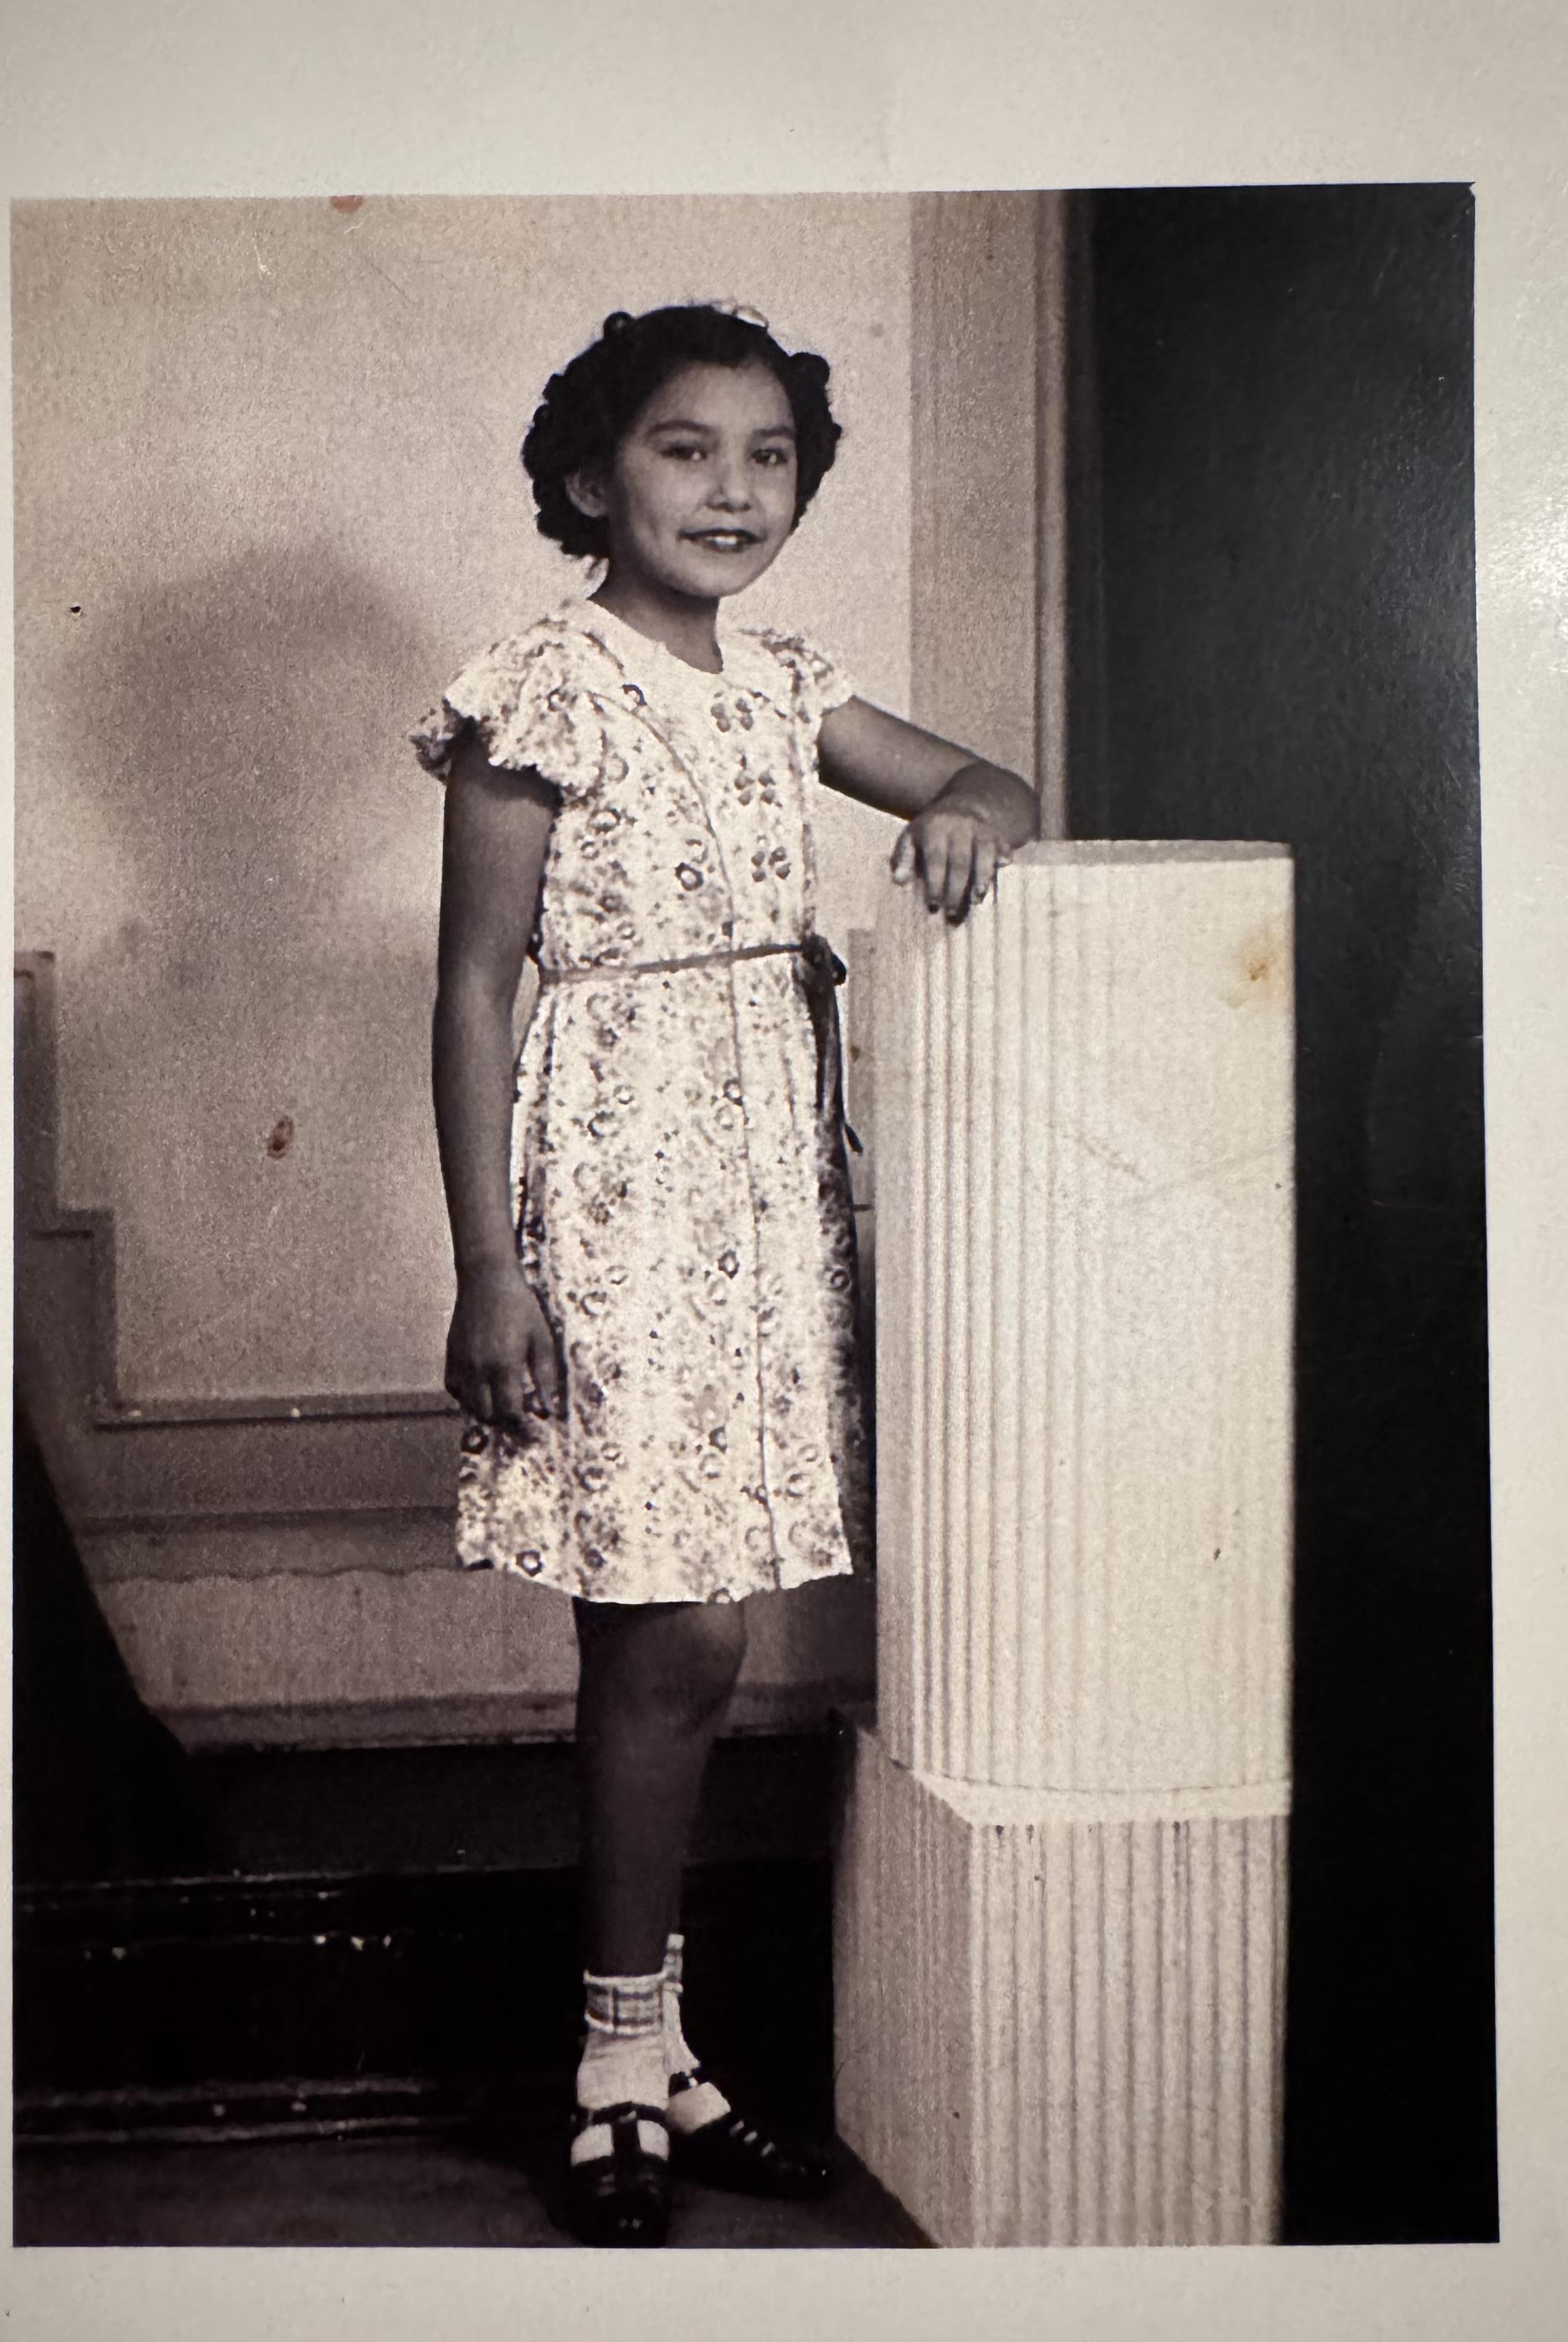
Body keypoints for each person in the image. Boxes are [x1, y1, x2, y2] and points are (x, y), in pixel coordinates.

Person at [412, 301, 1037, 2246]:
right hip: (614, 1188)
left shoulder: (785, 686)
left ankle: (659, 2054)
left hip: (773, 1182)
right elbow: (469, 984)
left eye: (769, 457)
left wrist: (968, 812)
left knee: (719, 1624)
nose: (733, 490)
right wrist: (489, 1268)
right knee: (664, 1625)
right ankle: (615, 2057)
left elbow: (989, 782)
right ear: (596, 478)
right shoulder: (542, 683)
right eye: (688, 451)